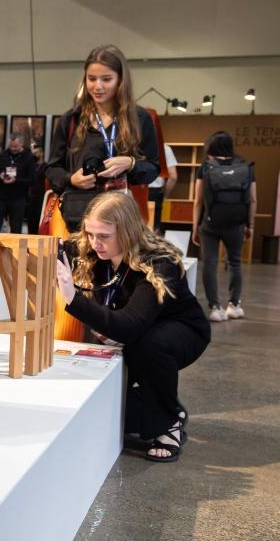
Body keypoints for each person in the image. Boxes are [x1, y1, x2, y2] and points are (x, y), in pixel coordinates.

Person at [55, 191, 210, 462]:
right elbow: (53, 248)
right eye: (90, 234)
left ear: (127, 231)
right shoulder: (91, 248)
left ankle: (168, 425)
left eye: (104, 236)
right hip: (134, 334)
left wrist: (72, 297)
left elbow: (129, 327)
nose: (95, 243)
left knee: (149, 343)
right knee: (110, 417)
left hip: (178, 331)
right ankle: (167, 407)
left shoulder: (159, 263)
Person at [46, 44, 160, 232]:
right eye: (91, 79)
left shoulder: (140, 118)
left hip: (121, 219)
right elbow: (52, 169)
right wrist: (70, 179)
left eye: (106, 79)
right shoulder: (71, 119)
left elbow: (153, 168)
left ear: (120, 80)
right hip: (78, 218)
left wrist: (130, 163)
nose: (97, 86)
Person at [192, 131, 257, 322]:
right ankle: (234, 306)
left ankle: (215, 308)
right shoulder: (245, 167)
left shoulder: (205, 167)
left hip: (210, 223)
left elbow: (198, 201)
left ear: (210, 148)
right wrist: (250, 224)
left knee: (210, 263)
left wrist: (195, 226)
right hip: (236, 224)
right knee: (235, 262)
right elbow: (253, 199)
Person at [0, 132, 34, 233]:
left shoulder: (28, 157)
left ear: (22, 144)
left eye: (16, 146)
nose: (13, 148)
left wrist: (16, 180)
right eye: (11, 146)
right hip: (1, 196)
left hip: (18, 198)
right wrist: (0, 176)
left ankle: (14, 249)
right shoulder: (3, 154)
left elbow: (31, 180)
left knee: (16, 228)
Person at [148, 143, 178, 232]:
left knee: (133, 227)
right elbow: (173, 177)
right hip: (155, 192)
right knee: (153, 230)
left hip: (134, 191)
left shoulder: (134, 145)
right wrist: (165, 195)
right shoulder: (164, 148)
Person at [26, 141, 49, 234]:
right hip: (31, 197)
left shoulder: (46, 166)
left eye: (37, 153)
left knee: (39, 220)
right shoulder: (31, 166)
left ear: (42, 152)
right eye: (33, 153)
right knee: (30, 222)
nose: (35, 155)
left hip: (41, 197)